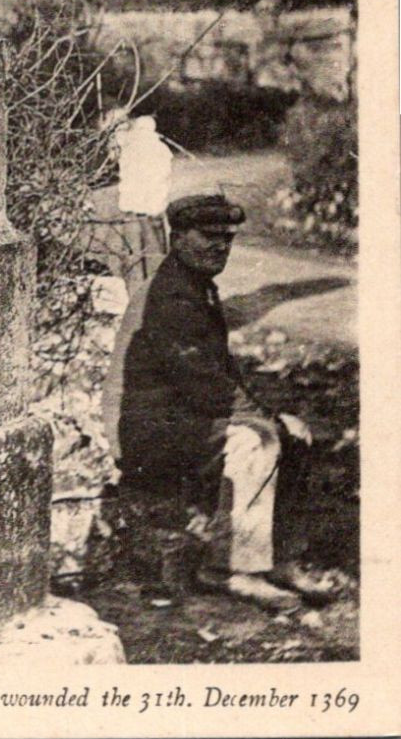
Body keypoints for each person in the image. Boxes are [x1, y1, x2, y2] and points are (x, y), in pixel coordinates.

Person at [101, 193, 323, 609]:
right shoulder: (170, 297)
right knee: (257, 441)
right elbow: (203, 384)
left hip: (178, 415)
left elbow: (220, 371)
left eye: (227, 238)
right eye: (208, 236)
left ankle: (281, 559)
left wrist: (273, 415)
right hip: (145, 428)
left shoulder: (196, 286)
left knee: (293, 433)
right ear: (178, 237)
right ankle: (230, 569)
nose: (220, 246)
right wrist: (266, 420)